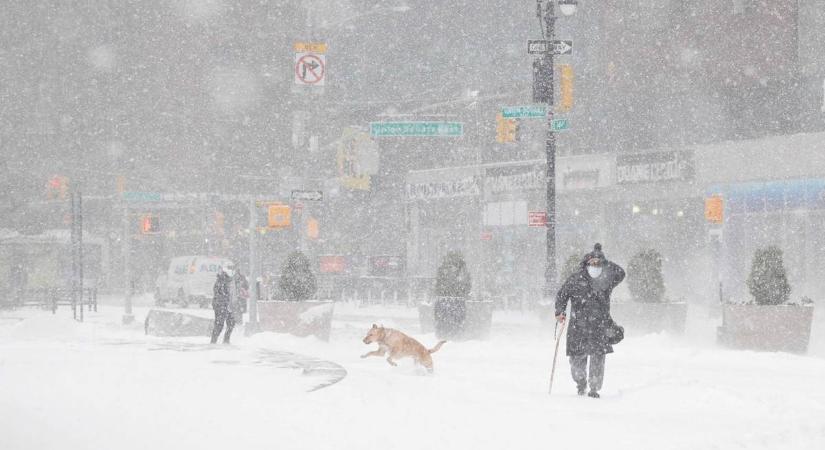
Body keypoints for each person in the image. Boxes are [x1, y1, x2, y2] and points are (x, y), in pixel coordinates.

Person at [555, 243, 625, 398]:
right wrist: (560, 312)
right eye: (592, 262)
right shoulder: (575, 279)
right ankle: (580, 382)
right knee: (576, 359)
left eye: (599, 263)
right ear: (586, 264)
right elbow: (562, 294)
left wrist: (604, 259)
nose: (595, 265)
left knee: (598, 359)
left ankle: (594, 388)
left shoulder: (606, 279)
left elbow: (621, 273)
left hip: (600, 325)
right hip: (577, 326)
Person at [211, 265, 236, 344]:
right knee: (219, 324)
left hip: (224, 305)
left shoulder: (226, 281)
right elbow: (220, 294)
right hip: (221, 305)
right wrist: (225, 302)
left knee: (231, 322)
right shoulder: (221, 282)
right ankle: (214, 341)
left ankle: (225, 340)